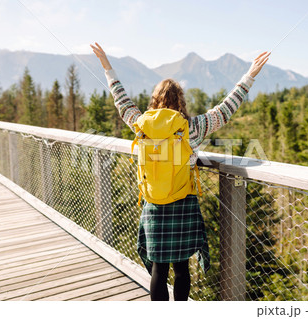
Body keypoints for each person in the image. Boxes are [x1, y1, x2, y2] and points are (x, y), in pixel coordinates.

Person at [90, 42, 270, 301]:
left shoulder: (141, 125)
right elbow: (226, 109)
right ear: (181, 102)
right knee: (182, 271)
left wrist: (107, 67)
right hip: (184, 203)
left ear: (154, 101)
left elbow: (122, 101)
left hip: (153, 205)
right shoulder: (191, 128)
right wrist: (249, 75)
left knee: (158, 272)